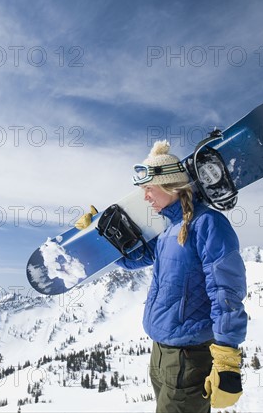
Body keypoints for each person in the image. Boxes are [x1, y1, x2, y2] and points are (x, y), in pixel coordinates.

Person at [84, 140, 248, 413]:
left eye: (148, 189)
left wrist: (227, 354)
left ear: (170, 186)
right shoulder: (169, 230)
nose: (145, 197)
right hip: (161, 354)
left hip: (188, 356)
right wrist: (96, 234)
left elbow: (226, 289)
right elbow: (132, 259)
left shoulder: (207, 223)